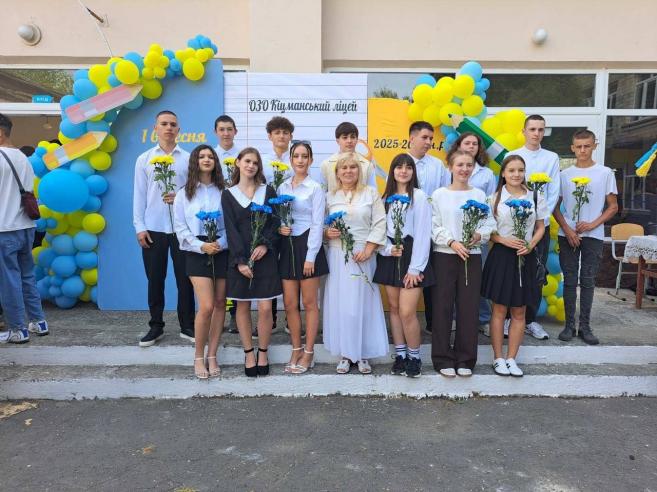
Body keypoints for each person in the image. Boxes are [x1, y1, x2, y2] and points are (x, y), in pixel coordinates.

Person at [133, 110, 195, 347]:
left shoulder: (188, 159)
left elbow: (195, 192)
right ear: (155, 128)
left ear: (179, 130)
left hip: (182, 229)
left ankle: (187, 325)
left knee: (185, 279)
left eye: (173, 124)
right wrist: (140, 227)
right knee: (155, 279)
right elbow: (139, 195)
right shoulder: (144, 159)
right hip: (153, 227)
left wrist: (179, 197)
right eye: (164, 124)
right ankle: (156, 326)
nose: (169, 128)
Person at [430, 150, 494, 377]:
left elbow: (489, 223)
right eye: (460, 165)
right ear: (450, 167)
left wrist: (478, 235)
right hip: (445, 255)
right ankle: (442, 358)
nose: (464, 169)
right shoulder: (439, 195)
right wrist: (451, 241)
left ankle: (466, 359)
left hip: (471, 255)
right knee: (442, 308)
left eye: (469, 165)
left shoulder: (479, 194)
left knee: (469, 308)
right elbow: (434, 224)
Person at [482, 155, 546, 377]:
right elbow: (488, 231)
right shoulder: (494, 199)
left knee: (520, 310)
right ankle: (498, 358)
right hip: (501, 256)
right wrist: (503, 240)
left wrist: (531, 244)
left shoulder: (535, 196)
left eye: (520, 170)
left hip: (525, 255)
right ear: (503, 173)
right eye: (511, 170)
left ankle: (512, 359)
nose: (516, 174)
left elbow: (540, 227)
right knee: (499, 309)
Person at [324, 152, 387, 374]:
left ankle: (362, 353)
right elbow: (320, 225)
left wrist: (369, 248)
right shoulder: (330, 196)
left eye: (353, 167)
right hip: (337, 256)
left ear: (359, 171)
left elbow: (380, 222)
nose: (348, 171)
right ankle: (345, 353)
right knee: (343, 306)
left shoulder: (371, 193)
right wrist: (326, 233)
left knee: (363, 305)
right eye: (344, 168)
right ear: (337, 173)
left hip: (363, 255)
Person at [553, 130, 618, 345]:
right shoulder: (564, 174)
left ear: (594, 146)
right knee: (570, 280)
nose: (582, 150)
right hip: (567, 236)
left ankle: (585, 327)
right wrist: (567, 230)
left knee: (588, 281)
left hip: (594, 235)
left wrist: (592, 224)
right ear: (572, 148)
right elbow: (554, 207)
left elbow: (613, 207)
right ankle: (569, 326)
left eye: (587, 146)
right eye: (579, 146)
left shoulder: (605, 173)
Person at [221, 147, 282, 377]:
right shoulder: (228, 194)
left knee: (266, 308)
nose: (251, 166)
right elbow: (230, 229)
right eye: (247, 161)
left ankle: (263, 352)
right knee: (242, 306)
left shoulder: (268, 191)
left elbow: (275, 222)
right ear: (238, 163)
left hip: (265, 257)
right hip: (240, 259)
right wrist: (240, 261)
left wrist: (265, 244)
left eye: (255, 163)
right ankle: (248, 353)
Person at [373, 153, 434, 378]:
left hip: (413, 257)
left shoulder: (419, 196)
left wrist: (415, 268)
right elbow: (378, 232)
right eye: (399, 167)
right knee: (394, 308)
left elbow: (423, 234)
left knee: (407, 311)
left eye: (408, 167)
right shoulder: (385, 198)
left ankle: (414, 357)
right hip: (391, 256)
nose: (404, 171)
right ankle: (400, 355)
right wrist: (388, 249)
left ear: (413, 172)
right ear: (393, 171)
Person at [174, 145, 228, 379]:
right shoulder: (183, 194)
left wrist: (221, 243)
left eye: (210, 156)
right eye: (202, 156)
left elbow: (232, 224)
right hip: (196, 251)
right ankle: (198, 357)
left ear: (216, 162)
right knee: (206, 306)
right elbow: (180, 227)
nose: (206, 159)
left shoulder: (225, 192)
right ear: (195, 161)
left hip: (221, 249)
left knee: (220, 303)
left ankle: (212, 354)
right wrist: (201, 246)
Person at [506, 115, 560, 340]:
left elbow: (554, 191)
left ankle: (530, 320)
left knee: (536, 273)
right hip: (514, 226)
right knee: (511, 272)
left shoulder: (551, 157)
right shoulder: (512, 155)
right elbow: (507, 188)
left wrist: (540, 218)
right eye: (532, 129)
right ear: (524, 131)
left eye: (540, 129)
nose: (536, 133)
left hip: (539, 226)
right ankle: (509, 318)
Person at [277, 141, 328, 374]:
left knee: (309, 304)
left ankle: (309, 351)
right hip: (288, 246)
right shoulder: (282, 187)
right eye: (296, 156)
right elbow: (279, 216)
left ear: (310, 160)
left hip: (308, 245)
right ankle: (296, 348)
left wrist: (311, 257)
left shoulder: (315, 188)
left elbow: (318, 224)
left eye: (304, 156)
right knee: (289, 304)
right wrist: (280, 227)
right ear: (290, 159)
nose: (300, 160)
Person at [0, 113, 48, 343]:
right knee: (27, 275)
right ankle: (38, 321)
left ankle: (18, 329)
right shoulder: (23, 157)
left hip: (4, 227)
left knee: (8, 280)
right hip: (25, 226)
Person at [447, 132, 497, 336]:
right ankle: (455, 318)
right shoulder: (449, 169)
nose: (470, 146)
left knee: (478, 279)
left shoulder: (487, 174)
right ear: (459, 146)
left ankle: (483, 319)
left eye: (474, 144)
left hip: (477, 238)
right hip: (453, 235)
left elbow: (490, 206)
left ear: (479, 148)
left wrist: (480, 233)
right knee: (454, 280)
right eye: (466, 143)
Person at [319, 122, 377, 193]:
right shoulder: (326, 164)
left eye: (352, 137)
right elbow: (321, 193)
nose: (349, 141)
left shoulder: (367, 165)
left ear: (357, 140)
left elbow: (373, 193)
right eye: (345, 138)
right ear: (337, 141)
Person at [261, 116, 294, 185]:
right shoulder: (262, 161)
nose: (281, 136)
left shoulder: (298, 161)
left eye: (285, 133)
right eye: (277, 133)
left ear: (291, 136)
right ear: (270, 136)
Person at [213, 114, 240, 181]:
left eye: (229, 129)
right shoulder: (211, 156)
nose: (226, 134)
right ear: (215, 132)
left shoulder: (243, 155)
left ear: (235, 132)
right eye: (221, 130)